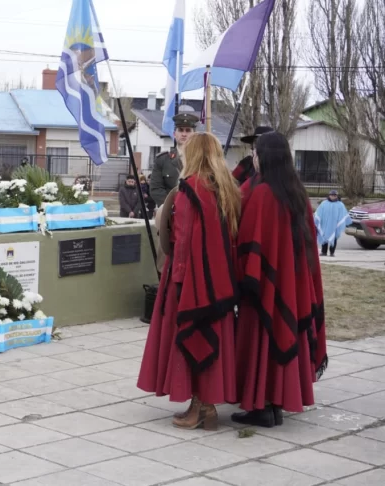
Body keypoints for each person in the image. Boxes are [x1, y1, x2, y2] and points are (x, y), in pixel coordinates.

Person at [138, 132, 241, 431]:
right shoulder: (226, 188)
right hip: (221, 282)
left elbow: (181, 241)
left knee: (190, 337)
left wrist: (177, 282)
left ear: (193, 154)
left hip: (192, 281)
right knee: (211, 338)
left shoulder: (191, 188)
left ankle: (201, 406)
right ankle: (205, 405)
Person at [233, 131, 328, 427]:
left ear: (266, 157)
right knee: (284, 335)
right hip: (292, 284)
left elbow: (247, 241)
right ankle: (275, 405)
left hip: (264, 284)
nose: (254, 159)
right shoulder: (296, 192)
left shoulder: (261, 193)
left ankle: (261, 406)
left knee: (261, 339)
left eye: (257, 153)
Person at [149, 109, 198, 206]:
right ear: (174, 134)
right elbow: (156, 189)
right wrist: (171, 206)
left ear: (194, 134)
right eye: (180, 130)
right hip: (171, 211)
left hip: (196, 210)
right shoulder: (163, 160)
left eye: (188, 130)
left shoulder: (201, 159)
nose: (184, 134)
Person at [315, 190, 351, 257]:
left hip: (334, 224)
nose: (333, 197)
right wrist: (317, 221)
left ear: (337, 196)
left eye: (334, 195)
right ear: (329, 195)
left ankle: (332, 252)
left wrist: (344, 222)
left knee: (333, 238)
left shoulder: (340, 205)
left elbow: (343, 214)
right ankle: (324, 251)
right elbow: (318, 213)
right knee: (324, 237)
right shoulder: (324, 203)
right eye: (332, 195)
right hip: (325, 224)